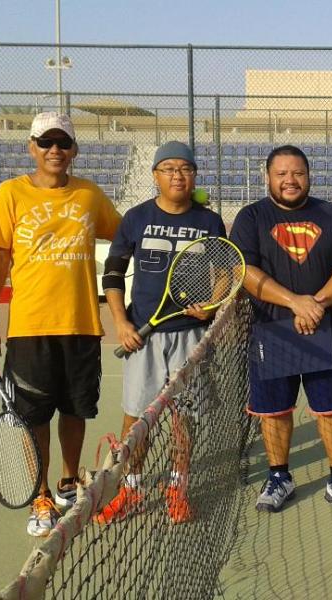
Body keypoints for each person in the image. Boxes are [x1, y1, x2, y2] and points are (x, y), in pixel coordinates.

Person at [0, 112, 121, 536]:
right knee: (34, 417)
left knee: (76, 411)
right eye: (45, 142)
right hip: (29, 327)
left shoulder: (90, 195)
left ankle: (68, 482)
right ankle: (40, 493)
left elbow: (125, 234)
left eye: (63, 142)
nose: (54, 150)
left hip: (82, 325)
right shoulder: (11, 193)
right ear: (31, 148)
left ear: (74, 150)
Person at [93, 141, 226, 525]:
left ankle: (177, 487)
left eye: (185, 169)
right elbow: (114, 274)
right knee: (135, 417)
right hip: (143, 335)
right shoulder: (135, 218)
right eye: (168, 168)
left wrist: (213, 305)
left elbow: (224, 272)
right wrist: (120, 321)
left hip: (190, 335)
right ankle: (132, 488)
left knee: (183, 418)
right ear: (155, 175)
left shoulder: (209, 221)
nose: (177, 175)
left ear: (194, 176)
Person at [230, 145, 332, 515]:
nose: (290, 180)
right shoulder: (251, 216)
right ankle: (279, 477)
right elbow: (246, 272)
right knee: (274, 411)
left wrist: (316, 304)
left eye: (298, 173)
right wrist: (295, 302)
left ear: (309, 176)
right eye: (282, 174)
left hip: (325, 326)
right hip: (271, 328)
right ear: (268, 177)